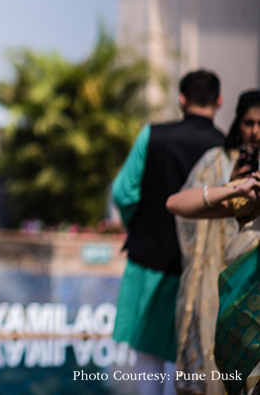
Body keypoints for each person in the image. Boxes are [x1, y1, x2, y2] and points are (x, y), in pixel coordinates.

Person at [111, 70, 225, 395]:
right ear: (219, 101)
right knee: (186, 366)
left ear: (181, 99)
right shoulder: (223, 148)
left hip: (148, 265)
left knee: (147, 366)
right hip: (199, 272)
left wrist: (139, 227)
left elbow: (123, 192)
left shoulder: (152, 135)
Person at [167, 90, 260, 395]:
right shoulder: (225, 167)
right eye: (249, 123)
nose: (255, 132)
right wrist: (235, 187)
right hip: (232, 284)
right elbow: (176, 204)